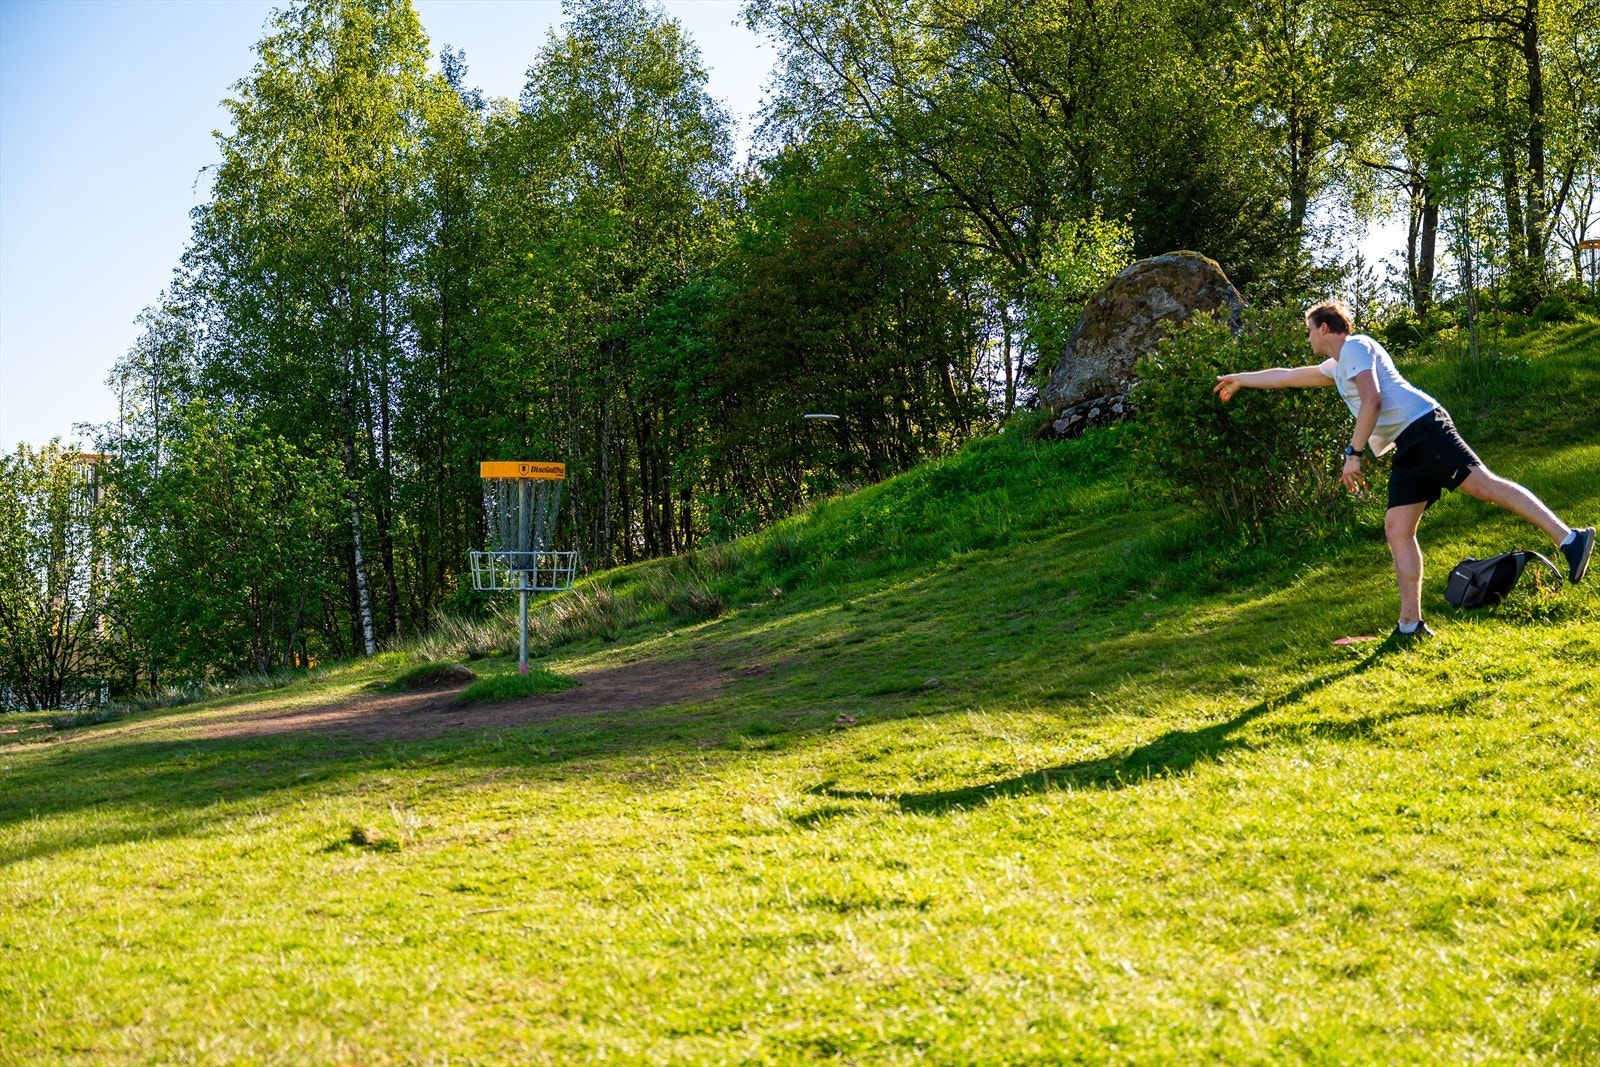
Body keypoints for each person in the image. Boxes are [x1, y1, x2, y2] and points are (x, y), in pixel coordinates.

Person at [1211, 298, 1593, 640]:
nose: (1308, 339)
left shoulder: (1357, 346)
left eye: (1309, 331)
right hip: (1408, 444)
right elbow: (1287, 376)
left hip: (1425, 427)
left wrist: (1354, 454)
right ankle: (1410, 624)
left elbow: (1372, 400)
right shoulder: (1336, 366)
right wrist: (1241, 379)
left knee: (1483, 486)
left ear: (1324, 328)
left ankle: (1570, 539)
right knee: (1397, 527)